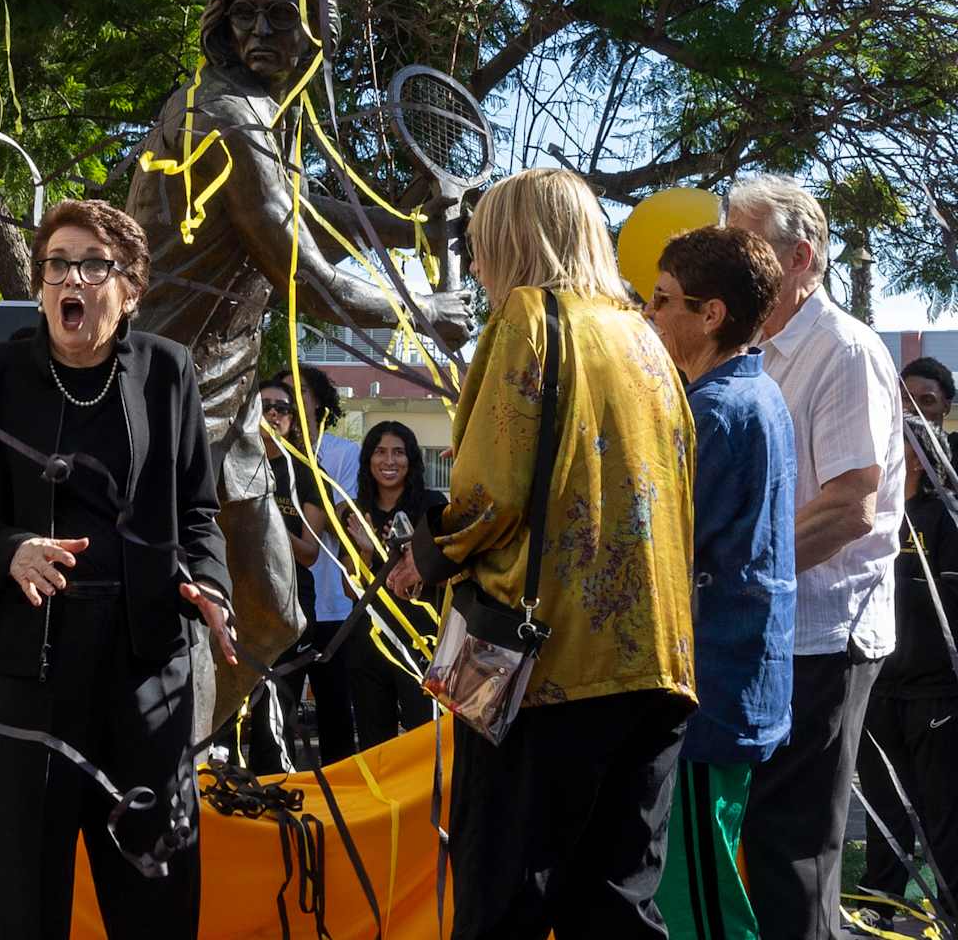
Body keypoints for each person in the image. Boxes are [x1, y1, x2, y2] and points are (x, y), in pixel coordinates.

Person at [127, 0, 471, 735]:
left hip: (230, 404)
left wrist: (406, 226)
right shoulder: (226, 114)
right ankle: (152, 767)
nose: (259, 31)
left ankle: (181, 756)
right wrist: (420, 311)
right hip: (166, 409)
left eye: (283, 14)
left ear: (319, 27)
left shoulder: (261, 114)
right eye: (244, 12)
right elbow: (305, 277)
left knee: (274, 615)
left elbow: (299, 210)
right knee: (177, 619)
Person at [388, 167, 697, 938]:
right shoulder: (645, 336)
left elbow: (488, 494)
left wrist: (428, 553)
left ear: (512, 242)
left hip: (545, 667)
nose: (477, 264)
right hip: (657, 662)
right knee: (618, 902)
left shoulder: (529, 317)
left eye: (481, 244)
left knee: (504, 898)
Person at [0, 199, 237, 939]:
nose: (72, 279)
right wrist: (10, 550)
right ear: (40, 285)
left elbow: (197, 511)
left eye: (94, 266)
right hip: (20, 673)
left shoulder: (168, 372)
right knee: (18, 900)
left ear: (129, 289)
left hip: (143, 670)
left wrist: (210, 584)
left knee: (155, 893)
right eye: (57, 265)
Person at [724, 174, 906, 940]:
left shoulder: (843, 349)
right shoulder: (752, 348)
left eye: (744, 244)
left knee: (792, 854)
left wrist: (730, 575)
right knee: (759, 847)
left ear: (799, 257)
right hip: (765, 631)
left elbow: (849, 506)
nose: (729, 260)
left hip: (823, 636)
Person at [643, 225, 798, 940]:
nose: (649, 313)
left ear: (711, 315)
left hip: (711, 692)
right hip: (729, 683)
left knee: (704, 907)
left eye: (662, 299)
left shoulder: (715, 411)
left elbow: (662, 546)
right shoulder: (749, 392)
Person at [853, 412, 958, 929]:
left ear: (919, 456)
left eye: (898, 441)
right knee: (883, 804)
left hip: (934, 694)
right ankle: (882, 901)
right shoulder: (878, 513)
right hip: (878, 684)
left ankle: (950, 907)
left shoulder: (946, 518)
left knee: (943, 810)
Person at [240, 376, 335, 774]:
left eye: (283, 409)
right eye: (265, 406)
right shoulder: (232, 461)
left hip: (288, 606)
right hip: (237, 603)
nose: (274, 414)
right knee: (229, 716)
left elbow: (311, 554)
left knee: (275, 713)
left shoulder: (306, 472)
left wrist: (269, 519)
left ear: (293, 420)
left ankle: (274, 792)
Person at [274, 364, 364, 765]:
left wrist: (311, 482)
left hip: (335, 607)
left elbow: (346, 523)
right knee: (279, 715)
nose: (290, 402)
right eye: (281, 397)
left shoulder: (344, 454)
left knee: (336, 717)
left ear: (318, 402)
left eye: (300, 392)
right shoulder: (262, 456)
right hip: (282, 608)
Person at [342, 420, 443, 751]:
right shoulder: (356, 511)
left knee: (424, 740)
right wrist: (365, 551)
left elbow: (445, 574)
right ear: (368, 459)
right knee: (375, 745)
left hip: (420, 641)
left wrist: (415, 554)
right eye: (380, 452)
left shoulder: (433, 506)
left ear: (411, 459)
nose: (389, 461)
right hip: (368, 643)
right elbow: (349, 589)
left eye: (398, 452)